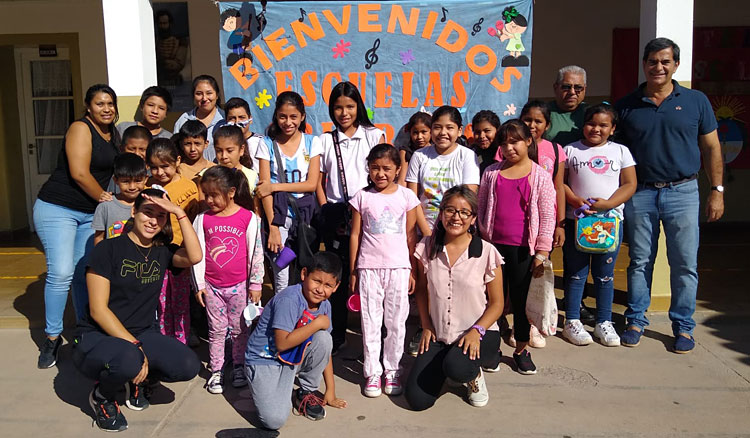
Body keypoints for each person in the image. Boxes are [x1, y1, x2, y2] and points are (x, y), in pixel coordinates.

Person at [614, 37, 724, 353]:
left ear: (676, 65)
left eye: (665, 61)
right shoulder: (626, 105)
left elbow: (712, 147)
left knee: (684, 263)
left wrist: (717, 190)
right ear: (644, 65)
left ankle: (683, 328)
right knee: (639, 262)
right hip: (641, 194)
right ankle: (635, 319)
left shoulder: (696, 101)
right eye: (652, 61)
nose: (658, 67)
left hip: (684, 192)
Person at [73, 188, 202, 432]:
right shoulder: (107, 250)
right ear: (134, 211)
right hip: (97, 336)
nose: (153, 221)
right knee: (129, 359)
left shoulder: (163, 251)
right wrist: (136, 346)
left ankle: (137, 380)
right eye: (148, 212)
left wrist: (179, 213)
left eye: (161, 216)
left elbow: (195, 257)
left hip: (142, 333)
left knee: (188, 365)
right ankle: (102, 396)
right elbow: (99, 311)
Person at [34, 84, 120, 369]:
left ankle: (84, 331)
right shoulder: (80, 128)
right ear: (88, 107)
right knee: (60, 273)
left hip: (89, 213)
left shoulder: (113, 134)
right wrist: (104, 198)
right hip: (58, 208)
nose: (106, 108)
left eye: (110, 103)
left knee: (86, 273)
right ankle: (52, 336)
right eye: (100, 103)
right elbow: (80, 172)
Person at [405, 186, 503, 410]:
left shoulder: (487, 252)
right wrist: (426, 325)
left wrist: (477, 331)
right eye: (450, 210)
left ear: (473, 218)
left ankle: (473, 374)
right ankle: (448, 363)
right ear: (441, 213)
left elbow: (497, 304)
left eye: (464, 212)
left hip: (478, 334)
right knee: (418, 400)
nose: (456, 217)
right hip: (440, 334)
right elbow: (421, 289)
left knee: (458, 369)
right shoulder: (427, 247)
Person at [477, 120, 556, 375]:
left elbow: (547, 215)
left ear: (528, 141)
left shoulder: (541, 177)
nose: (509, 148)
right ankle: (490, 349)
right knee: (490, 300)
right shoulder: (491, 173)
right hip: (493, 247)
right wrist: (482, 241)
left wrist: (541, 252)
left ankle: (521, 349)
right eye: (504, 143)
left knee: (522, 302)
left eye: (515, 141)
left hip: (523, 250)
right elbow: (481, 209)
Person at [316, 81, 385, 354]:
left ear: (359, 107)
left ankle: (375, 337)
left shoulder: (374, 135)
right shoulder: (325, 139)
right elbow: (319, 181)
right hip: (337, 218)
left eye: (349, 106)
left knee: (369, 277)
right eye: (338, 107)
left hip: (369, 218)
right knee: (340, 276)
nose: (344, 113)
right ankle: (337, 335)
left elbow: (384, 175)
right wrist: (326, 210)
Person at [561, 104, 637, 347]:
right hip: (578, 222)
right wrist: (574, 200)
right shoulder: (570, 150)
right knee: (575, 273)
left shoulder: (621, 151)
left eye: (603, 125)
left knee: (604, 275)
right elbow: (559, 183)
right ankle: (572, 320)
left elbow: (629, 184)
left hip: (609, 223)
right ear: (583, 125)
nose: (596, 129)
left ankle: (604, 321)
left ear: (612, 129)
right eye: (591, 123)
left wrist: (609, 204)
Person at [245, 252, 348, 429]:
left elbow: (325, 350)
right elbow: (282, 343)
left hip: (291, 358)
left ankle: (305, 392)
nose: (320, 289)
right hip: (264, 360)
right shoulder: (290, 299)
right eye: (316, 281)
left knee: (324, 338)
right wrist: (317, 324)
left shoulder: (325, 305)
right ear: (304, 274)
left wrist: (330, 391)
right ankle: (277, 388)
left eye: (328, 285)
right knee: (274, 420)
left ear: (336, 286)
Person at [349, 144, 419, 398]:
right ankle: (372, 372)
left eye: (387, 168)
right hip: (368, 268)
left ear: (398, 169)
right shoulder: (362, 197)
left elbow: (411, 235)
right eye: (375, 168)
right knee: (370, 321)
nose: (381, 174)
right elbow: (355, 234)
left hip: (399, 267)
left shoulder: (406, 196)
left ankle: (392, 369)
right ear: (368, 169)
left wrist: (411, 269)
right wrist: (354, 269)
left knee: (396, 322)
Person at [192, 166, 264, 393]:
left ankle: (239, 365)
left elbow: (256, 252)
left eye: (214, 194)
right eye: (206, 194)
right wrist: (200, 285)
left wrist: (255, 283)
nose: (209, 200)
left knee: (240, 328)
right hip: (212, 287)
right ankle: (216, 370)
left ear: (231, 192)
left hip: (240, 286)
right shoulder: (202, 219)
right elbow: (197, 254)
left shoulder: (248, 218)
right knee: (216, 330)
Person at [256, 91, 322, 292]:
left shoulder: (312, 142)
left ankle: (304, 317)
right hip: (279, 217)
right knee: (281, 275)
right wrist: (273, 227)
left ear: (302, 116)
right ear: (276, 115)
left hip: (305, 218)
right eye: (283, 116)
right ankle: (283, 320)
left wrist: (275, 186)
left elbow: (311, 184)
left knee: (306, 271)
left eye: (293, 116)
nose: (288, 122)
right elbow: (263, 191)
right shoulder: (266, 144)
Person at [146, 138, 200, 344]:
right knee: (159, 302)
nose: (160, 173)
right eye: (154, 167)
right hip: (154, 254)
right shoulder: (147, 186)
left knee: (180, 301)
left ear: (177, 161)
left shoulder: (189, 188)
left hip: (180, 255)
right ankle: (163, 341)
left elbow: (194, 221)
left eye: (165, 166)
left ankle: (182, 339)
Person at [406, 105, 480, 231]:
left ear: (459, 130)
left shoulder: (467, 156)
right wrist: (426, 232)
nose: (442, 133)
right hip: (424, 229)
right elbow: (412, 200)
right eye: (437, 128)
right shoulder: (419, 156)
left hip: (456, 229)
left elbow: (468, 196)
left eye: (449, 128)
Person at [93, 153, 148, 245]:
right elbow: (99, 238)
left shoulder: (150, 204)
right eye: (125, 181)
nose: (132, 187)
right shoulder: (106, 206)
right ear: (116, 180)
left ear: (145, 179)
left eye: (137, 181)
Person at [173, 75, 225, 162]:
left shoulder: (225, 119)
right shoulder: (184, 119)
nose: (204, 98)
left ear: (217, 95)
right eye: (199, 94)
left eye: (209, 93)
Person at [547, 65, 588, 147]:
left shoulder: (591, 113)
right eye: (566, 87)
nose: (572, 92)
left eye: (578, 87)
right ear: (555, 88)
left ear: (585, 89)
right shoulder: (544, 112)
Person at [213, 124, 259, 192]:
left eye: (229, 151)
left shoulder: (252, 177)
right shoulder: (209, 175)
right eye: (219, 151)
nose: (224, 156)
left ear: (241, 150)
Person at [225, 97, 263, 173]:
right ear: (226, 121)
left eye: (242, 117)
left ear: (250, 119)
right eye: (232, 118)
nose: (237, 122)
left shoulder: (261, 142)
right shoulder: (224, 145)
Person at [396, 111, 432, 186]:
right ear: (410, 133)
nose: (419, 137)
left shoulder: (436, 150)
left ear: (431, 132)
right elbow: (402, 181)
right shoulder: (406, 152)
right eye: (415, 133)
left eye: (424, 132)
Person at [470, 110, 500, 174]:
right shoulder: (471, 153)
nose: (482, 136)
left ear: (497, 130)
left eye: (487, 131)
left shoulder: (504, 153)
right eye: (477, 132)